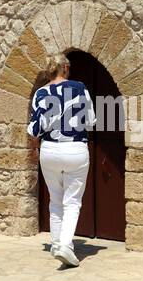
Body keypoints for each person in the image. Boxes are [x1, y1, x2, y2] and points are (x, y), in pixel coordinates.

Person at [27, 55, 95, 267]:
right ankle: (65, 245)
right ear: (65, 68)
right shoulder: (80, 87)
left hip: (50, 151)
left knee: (55, 200)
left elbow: (34, 129)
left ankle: (56, 244)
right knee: (72, 201)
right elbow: (91, 121)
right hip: (75, 148)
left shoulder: (40, 92)